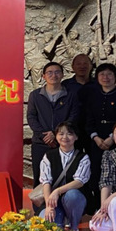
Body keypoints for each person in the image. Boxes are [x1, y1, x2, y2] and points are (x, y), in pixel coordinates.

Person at [82, 63, 116, 212]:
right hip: (96, 140)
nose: (106, 77)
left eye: (109, 74)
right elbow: (88, 119)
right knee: (97, 173)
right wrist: (95, 137)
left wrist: (112, 137)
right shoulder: (92, 96)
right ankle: (98, 207)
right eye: (102, 74)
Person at [26, 62, 79, 194]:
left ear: (62, 75)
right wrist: (44, 135)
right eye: (49, 72)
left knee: (63, 177)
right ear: (43, 76)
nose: (53, 75)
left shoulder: (70, 95)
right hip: (41, 143)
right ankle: (40, 206)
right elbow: (31, 117)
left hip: (63, 143)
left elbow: (73, 117)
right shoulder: (35, 95)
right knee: (40, 177)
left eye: (57, 72)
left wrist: (56, 134)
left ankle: (60, 205)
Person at [37, 121, 90, 231]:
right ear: (56, 136)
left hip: (73, 200)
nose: (65, 137)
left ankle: (74, 228)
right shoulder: (48, 156)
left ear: (76, 137)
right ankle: (60, 221)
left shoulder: (83, 157)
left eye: (69, 134)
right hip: (53, 201)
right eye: (61, 134)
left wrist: (57, 191)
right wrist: (49, 206)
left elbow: (79, 181)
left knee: (72, 195)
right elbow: (46, 181)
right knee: (49, 229)